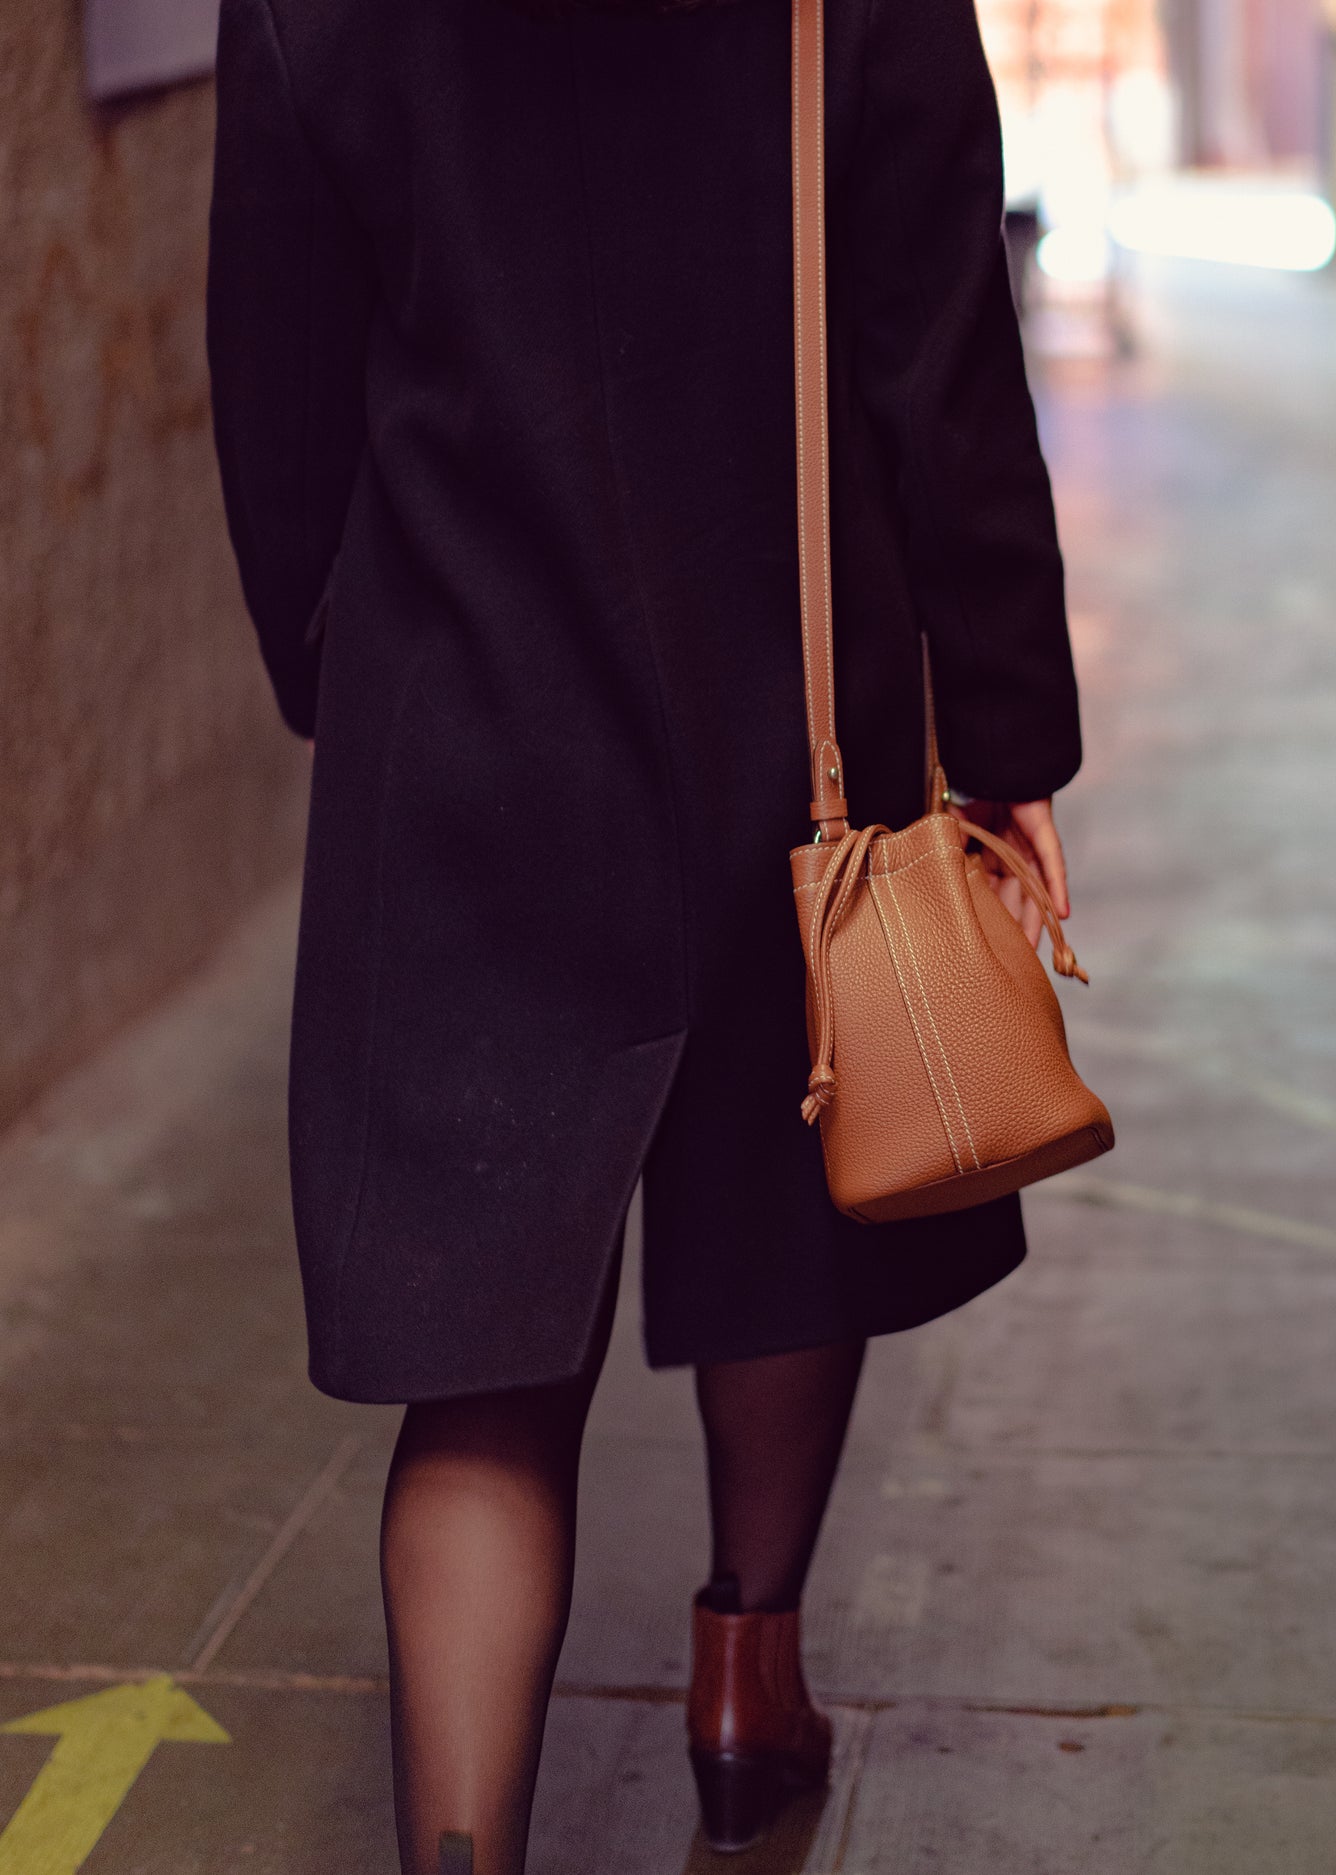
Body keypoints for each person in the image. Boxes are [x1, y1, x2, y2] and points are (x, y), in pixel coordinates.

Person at [206, 0, 1082, 1866]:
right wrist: (1008, 733)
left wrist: (339, 670)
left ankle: (459, 1848)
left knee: (479, 1353)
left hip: (461, 709)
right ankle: (748, 1671)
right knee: (798, 1207)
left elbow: (276, 370)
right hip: (788, 712)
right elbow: (939, 368)